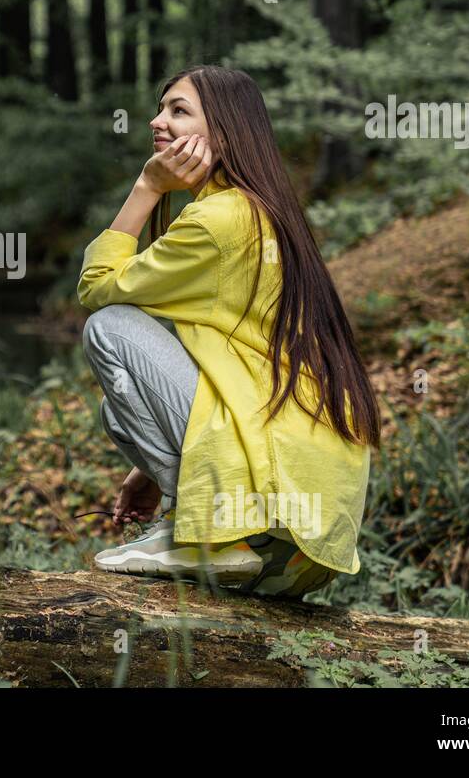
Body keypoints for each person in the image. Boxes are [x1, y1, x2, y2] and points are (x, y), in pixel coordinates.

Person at [76, 64, 379, 599]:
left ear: (224, 132)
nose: (156, 121)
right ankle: (213, 537)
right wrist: (149, 471)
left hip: (266, 492)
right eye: (161, 107)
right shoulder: (264, 212)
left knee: (111, 327)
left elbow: (97, 288)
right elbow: (229, 362)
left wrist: (147, 185)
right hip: (307, 517)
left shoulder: (217, 221)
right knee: (114, 408)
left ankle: (212, 538)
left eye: (178, 110)